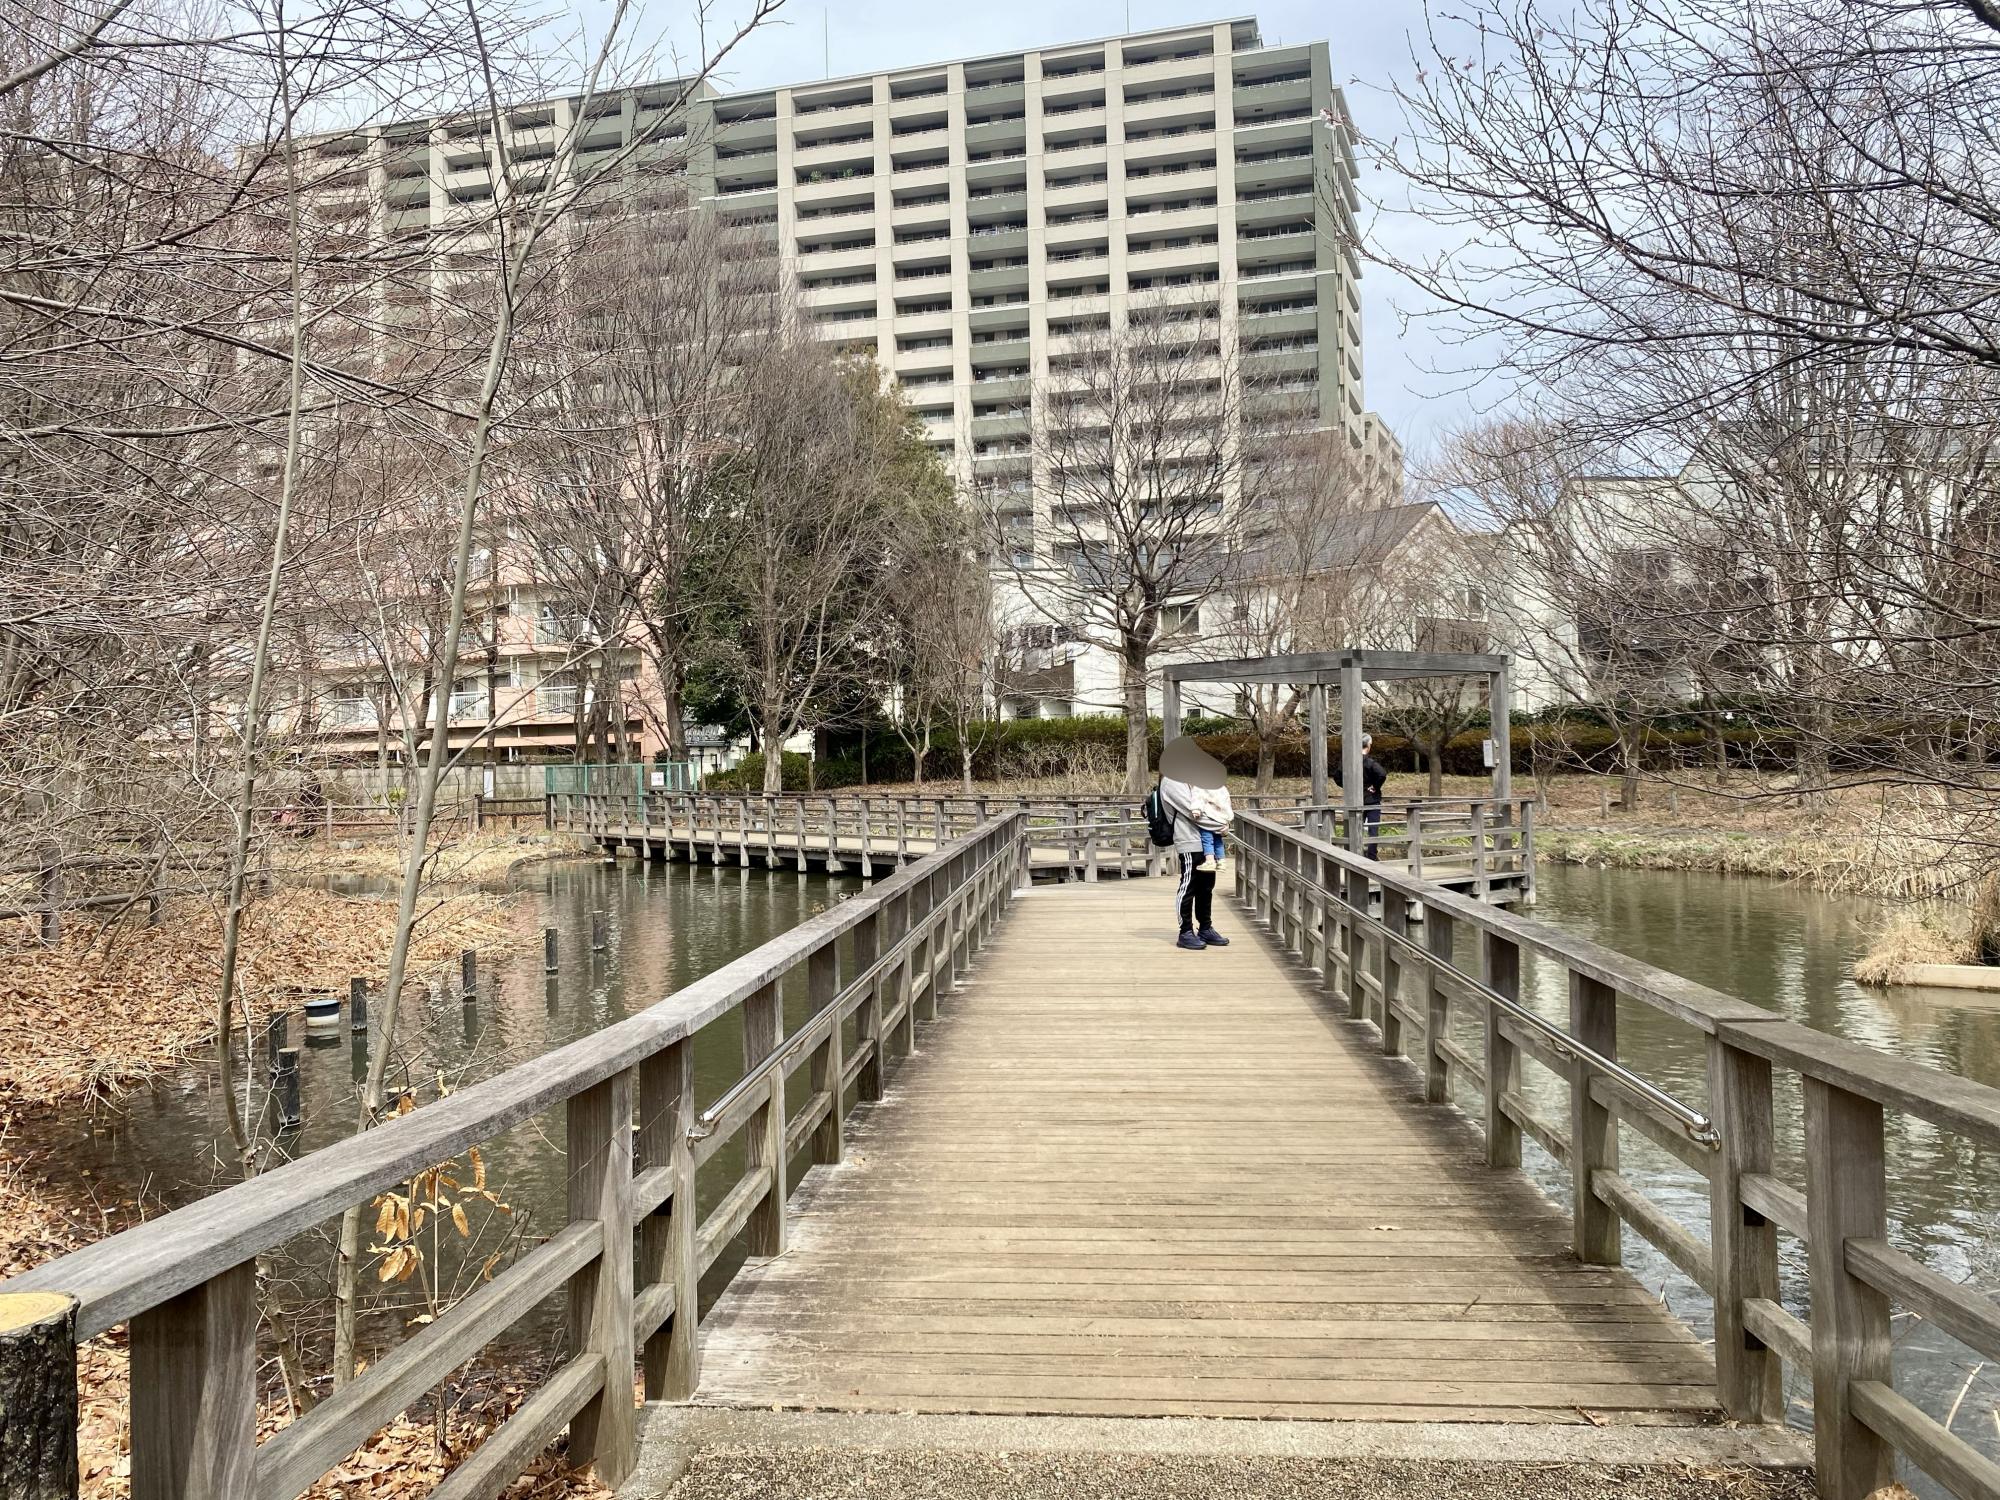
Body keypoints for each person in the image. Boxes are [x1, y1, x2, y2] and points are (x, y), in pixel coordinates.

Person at [1158, 736, 1234, 951]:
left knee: (1206, 886)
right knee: (1189, 884)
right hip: (1189, 839)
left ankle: (1206, 928)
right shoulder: (1172, 781)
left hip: (1206, 840)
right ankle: (1185, 931)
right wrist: (1221, 826)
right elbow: (1194, 815)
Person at [1332, 732, 1388, 860]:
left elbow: (1337, 777)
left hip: (1355, 800)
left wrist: (1348, 787)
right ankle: (1372, 855)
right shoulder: (1369, 762)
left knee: (1355, 828)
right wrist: (1375, 787)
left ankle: (1354, 854)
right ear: (1368, 745)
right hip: (1371, 800)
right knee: (1373, 829)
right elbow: (1382, 774)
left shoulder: (1348, 762)